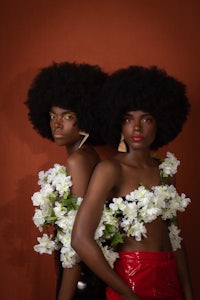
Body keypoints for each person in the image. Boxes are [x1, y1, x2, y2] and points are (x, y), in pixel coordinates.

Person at [72, 66, 194, 299]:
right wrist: (126, 293)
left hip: (170, 279)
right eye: (128, 119)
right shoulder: (110, 169)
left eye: (146, 119)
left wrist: (189, 293)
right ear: (119, 123)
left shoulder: (166, 170)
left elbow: (174, 236)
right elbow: (80, 238)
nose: (136, 127)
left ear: (161, 122)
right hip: (130, 278)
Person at [24, 61, 107, 300]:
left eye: (67, 116)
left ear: (85, 118)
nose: (57, 124)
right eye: (52, 116)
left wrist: (64, 295)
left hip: (80, 279)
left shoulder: (77, 161)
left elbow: (77, 240)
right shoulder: (89, 153)